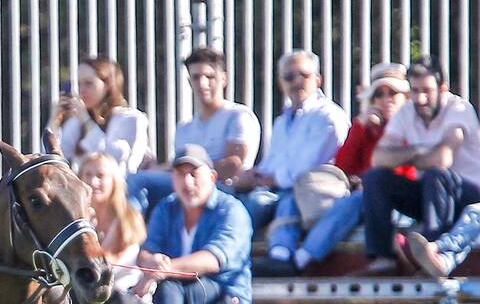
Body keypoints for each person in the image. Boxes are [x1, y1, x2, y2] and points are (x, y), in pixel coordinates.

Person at [80, 145, 252, 304]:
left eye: (194, 173)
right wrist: (152, 264)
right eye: (180, 174)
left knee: (170, 284)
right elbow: (146, 253)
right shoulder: (166, 208)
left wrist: (162, 269)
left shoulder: (231, 210)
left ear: (212, 178)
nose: (187, 181)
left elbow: (213, 260)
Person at [254, 63, 410, 277]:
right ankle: (280, 254)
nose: (385, 100)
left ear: (405, 97)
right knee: (291, 197)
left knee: (357, 198)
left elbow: (409, 172)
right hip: (364, 197)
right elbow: (343, 167)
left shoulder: (412, 126)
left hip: (397, 202)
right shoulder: (367, 128)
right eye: (378, 95)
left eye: (392, 93)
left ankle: (302, 259)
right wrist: (360, 127)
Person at [361, 56, 480, 275]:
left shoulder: (459, 109)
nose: (420, 99)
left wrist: (405, 155)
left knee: (437, 174)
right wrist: (418, 151)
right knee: (375, 177)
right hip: (432, 194)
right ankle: (382, 257)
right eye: (414, 91)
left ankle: (431, 253)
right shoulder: (407, 111)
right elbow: (379, 158)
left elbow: (443, 159)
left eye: (427, 91)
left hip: (468, 195)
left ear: (442, 89)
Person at [127, 46, 261, 216]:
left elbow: (235, 164)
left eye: (210, 77)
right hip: (185, 188)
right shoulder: (185, 127)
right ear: (190, 82)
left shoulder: (238, 116)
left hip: (224, 191)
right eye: (196, 77)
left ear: (224, 79)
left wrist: (189, 172)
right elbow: (177, 167)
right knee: (134, 181)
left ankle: (125, 237)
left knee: (140, 181)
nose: (202, 83)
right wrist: (158, 170)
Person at [231, 50, 350, 232]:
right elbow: (272, 162)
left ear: (318, 80)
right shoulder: (282, 121)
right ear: (281, 83)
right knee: (222, 200)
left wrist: (265, 180)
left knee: (252, 206)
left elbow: (309, 168)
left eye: (303, 75)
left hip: (308, 191)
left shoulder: (328, 116)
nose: (296, 82)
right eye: (289, 77)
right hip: (272, 189)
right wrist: (251, 175)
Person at [76, 152, 148, 304]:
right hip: (88, 302)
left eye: (100, 176)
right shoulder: (76, 223)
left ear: (114, 181)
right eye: (88, 175)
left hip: (124, 301)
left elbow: (105, 267)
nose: (93, 182)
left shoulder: (128, 218)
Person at [51, 56, 150, 177]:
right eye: (78, 84)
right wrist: (54, 120)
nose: (81, 90)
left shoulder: (130, 118)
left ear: (108, 84)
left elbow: (111, 158)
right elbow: (53, 156)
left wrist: (85, 121)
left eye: (88, 83)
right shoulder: (78, 121)